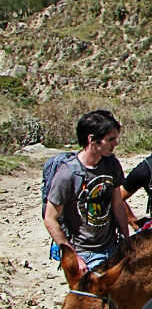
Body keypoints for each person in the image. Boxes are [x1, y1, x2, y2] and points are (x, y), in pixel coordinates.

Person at [44, 110, 131, 273]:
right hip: (83, 253)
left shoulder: (111, 164)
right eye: (110, 139)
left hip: (112, 246)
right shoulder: (67, 174)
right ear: (92, 140)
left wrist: (126, 239)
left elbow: (117, 204)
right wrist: (72, 256)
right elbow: (50, 218)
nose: (116, 143)